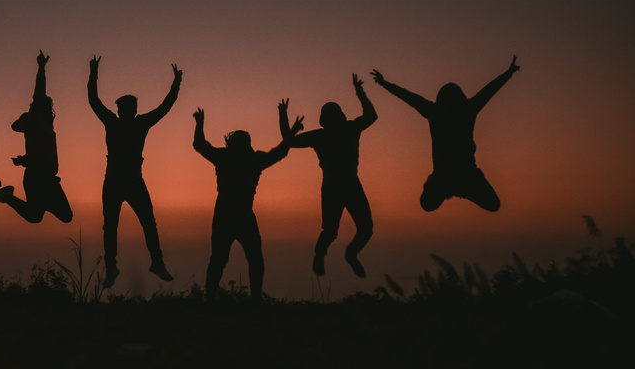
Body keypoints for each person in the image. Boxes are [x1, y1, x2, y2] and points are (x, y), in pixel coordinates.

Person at [370, 56, 520, 212]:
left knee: (429, 205)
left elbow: (409, 97)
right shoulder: (465, 109)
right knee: (490, 205)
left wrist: (384, 84)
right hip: (456, 174)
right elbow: (488, 91)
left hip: (454, 175)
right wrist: (508, 73)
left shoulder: (438, 111)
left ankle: (459, 188)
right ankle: (461, 189)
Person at [88, 55, 182, 288]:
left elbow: (165, 107)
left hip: (131, 180)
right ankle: (112, 267)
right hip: (116, 180)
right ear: (120, 110)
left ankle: (155, 263)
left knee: (146, 223)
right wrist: (93, 72)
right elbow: (93, 100)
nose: (129, 110)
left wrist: (176, 83)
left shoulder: (137, 123)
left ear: (132, 109)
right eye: (125, 107)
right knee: (113, 226)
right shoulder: (115, 121)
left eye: (131, 107)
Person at [193, 101, 303, 301]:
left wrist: (200, 123)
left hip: (226, 214)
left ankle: (212, 297)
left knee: (221, 259)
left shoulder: (224, 157)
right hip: (242, 215)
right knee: (253, 258)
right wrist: (290, 127)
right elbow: (280, 152)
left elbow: (199, 145)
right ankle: (254, 297)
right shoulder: (253, 160)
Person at [284, 74, 376, 278]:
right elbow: (371, 116)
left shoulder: (324, 134)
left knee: (334, 229)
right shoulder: (347, 129)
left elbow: (288, 141)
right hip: (346, 184)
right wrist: (360, 93)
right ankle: (343, 254)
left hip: (338, 185)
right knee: (358, 228)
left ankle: (333, 255)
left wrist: (286, 119)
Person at [0, 50, 73, 224]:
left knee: (59, 216)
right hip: (39, 178)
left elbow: (38, 151)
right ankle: (9, 197)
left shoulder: (44, 126)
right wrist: (41, 67)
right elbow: (39, 94)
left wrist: (24, 160)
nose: (51, 111)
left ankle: (24, 200)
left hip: (45, 177)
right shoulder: (36, 120)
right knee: (41, 216)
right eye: (47, 108)